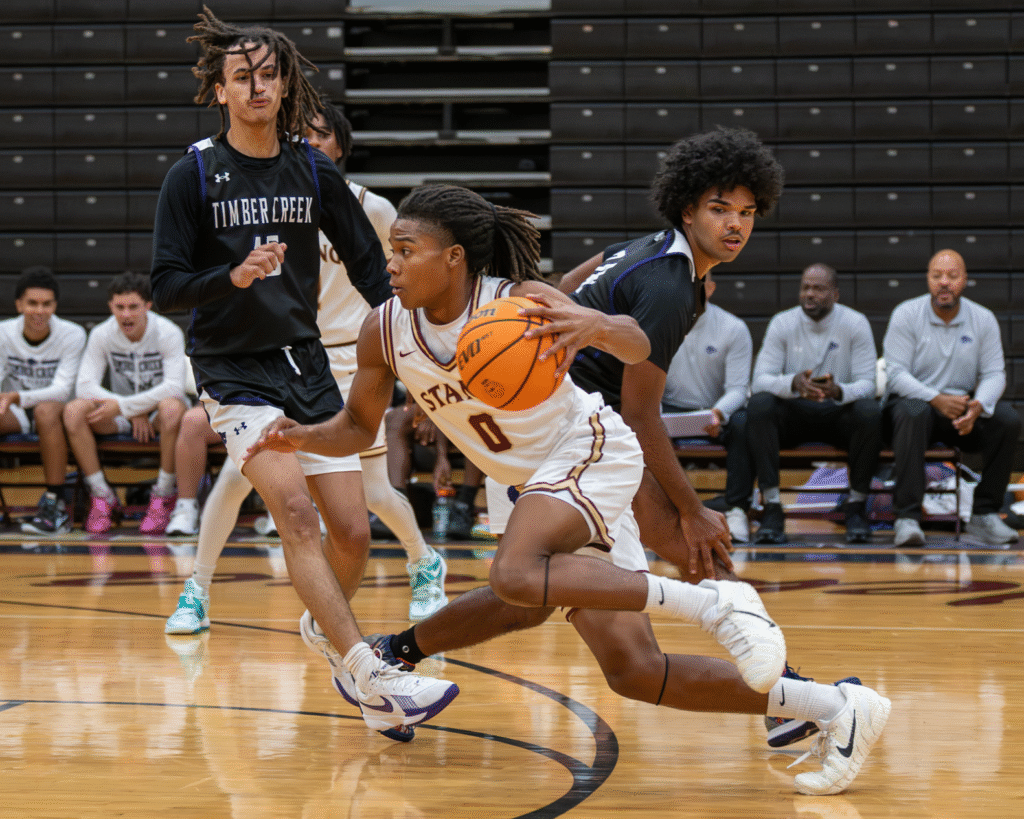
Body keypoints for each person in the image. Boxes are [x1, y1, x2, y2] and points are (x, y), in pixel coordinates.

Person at [250, 183, 890, 795]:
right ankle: (835, 706)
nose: (390, 263)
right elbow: (357, 427)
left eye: (405, 250)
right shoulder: (383, 330)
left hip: (589, 449)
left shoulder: (519, 302)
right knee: (634, 670)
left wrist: (593, 325)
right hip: (528, 480)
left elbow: (637, 342)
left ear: (453, 258)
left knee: (516, 573)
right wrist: (301, 437)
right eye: (391, 250)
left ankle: (718, 605)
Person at [150, 10, 460, 736]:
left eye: (268, 74)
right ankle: (368, 670)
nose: (256, 86)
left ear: (285, 84)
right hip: (234, 372)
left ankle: (327, 630)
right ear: (221, 90)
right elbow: (166, 285)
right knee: (294, 512)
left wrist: (419, 344)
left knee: (352, 533)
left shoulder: (313, 169)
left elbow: (371, 271)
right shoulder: (191, 174)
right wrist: (231, 275)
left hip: (308, 364)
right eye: (242, 77)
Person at [163, 101, 447, 626]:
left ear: (340, 145)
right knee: (236, 478)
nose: (310, 141)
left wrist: (414, 360)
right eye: (304, 133)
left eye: (321, 134)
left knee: (375, 493)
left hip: (354, 360)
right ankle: (197, 587)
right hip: (287, 354)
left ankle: (423, 561)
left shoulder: (373, 208)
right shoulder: (270, 197)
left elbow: (390, 282)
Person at [556, 127, 783, 582]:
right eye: (719, 209)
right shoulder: (671, 288)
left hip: (568, 405)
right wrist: (694, 509)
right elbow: (641, 415)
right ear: (688, 211)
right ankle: (749, 625)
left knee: (562, 586)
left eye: (746, 213)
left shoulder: (647, 246)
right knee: (686, 537)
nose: (735, 225)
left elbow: (566, 285)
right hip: (570, 412)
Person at [882, 249, 1020, 547]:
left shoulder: (982, 318)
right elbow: (895, 374)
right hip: (917, 404)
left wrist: (978, 406)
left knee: (1007, 420)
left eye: (952, 276)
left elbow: (995, 373)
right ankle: (907, 517)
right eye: (937, 276)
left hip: (961, 409)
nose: (944, 282)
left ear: (964, 280)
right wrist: (936, 398)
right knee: (913, 411)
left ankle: (984, 513)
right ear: (928, 280)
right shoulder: (906, 314)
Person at [746, 263, 882, 545]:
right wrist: (793, 384)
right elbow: (759, 380)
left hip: (838, 414)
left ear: (835, 294)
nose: (810, 294)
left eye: (818, 289)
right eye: (805, 287)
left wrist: (839, 391)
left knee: (869, 411)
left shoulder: (855, 323)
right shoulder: (782, 322)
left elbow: (868, 385)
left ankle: (856, 506)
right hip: (796, 414)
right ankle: (772, 507)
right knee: (759, 405)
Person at [62, 272, 189, 534]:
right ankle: (102, 495)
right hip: (122, 414)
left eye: (133, 307)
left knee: (172, 407)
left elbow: (174, 387)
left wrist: (128, 407)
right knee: (74, 411)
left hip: (157, 415)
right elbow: (84, 386)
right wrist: (128, 409)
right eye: (119, 307)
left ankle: (164, 494)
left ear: (148, 306)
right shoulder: (102, 333)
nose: (126, 314)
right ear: (110, 306)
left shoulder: (168, 332)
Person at [660, 269, 754, 542]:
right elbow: (647, 384)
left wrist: (718, 414)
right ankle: (654, 511)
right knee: (638, 419)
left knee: (745, 422)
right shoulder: (658, 324)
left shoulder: (733, 328)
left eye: (696, 283)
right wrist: (655, 413)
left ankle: (736, 509)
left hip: (716, 411)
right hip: (670, 409)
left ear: (710, 289)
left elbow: (738, 389)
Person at [0, 267, 87, 534]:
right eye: (32, 303)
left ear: (55, 306)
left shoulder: (72, 334)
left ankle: (54, 506)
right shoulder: (3, 333)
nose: (39, 311)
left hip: (58, 413)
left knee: (45, 411)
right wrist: (13, 399)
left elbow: (62, 390)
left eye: (46, 304)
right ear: (19, 304)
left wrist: (18, 396)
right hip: (16, 410)